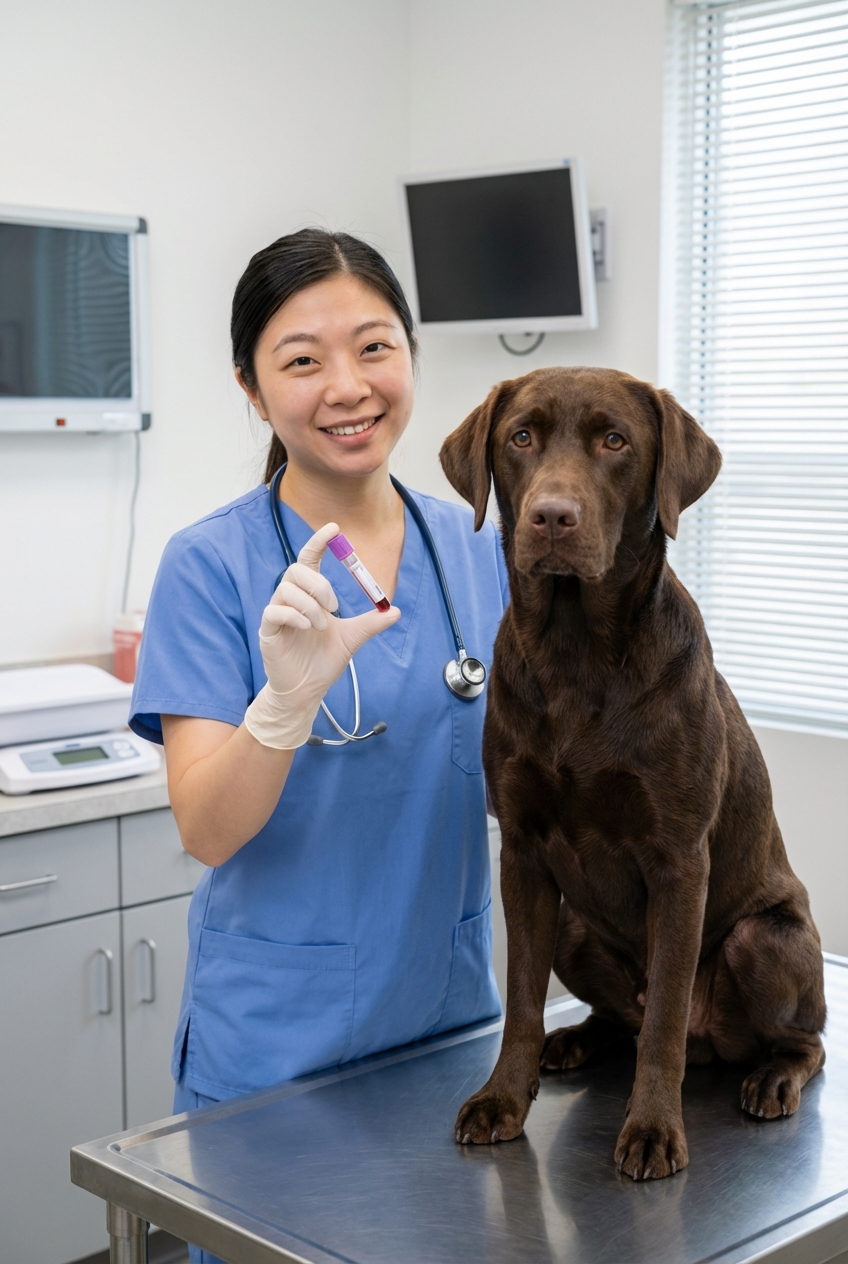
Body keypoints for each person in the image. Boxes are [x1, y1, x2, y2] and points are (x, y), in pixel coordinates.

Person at [129, 228, 507, 1259]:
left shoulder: (479, 545)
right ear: (253, 391)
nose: (346, 385)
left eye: (373, 347)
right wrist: (280, 709)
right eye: (301, 360)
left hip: (448, 1036)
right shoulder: (209, 566)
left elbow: (518, 780)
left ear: (411, 358)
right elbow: (207, 827)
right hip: (277, 1061)